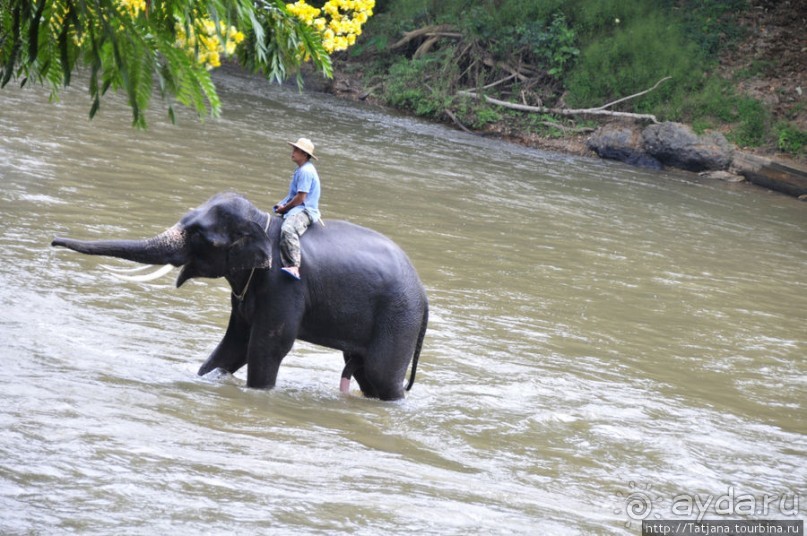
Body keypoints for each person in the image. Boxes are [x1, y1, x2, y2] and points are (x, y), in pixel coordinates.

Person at [273, 137, 321, 280]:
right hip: (298, 207)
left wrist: (284, 209)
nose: (292, 152)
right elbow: (293, 195)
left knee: (288, 229)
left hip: (305, 210)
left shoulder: (305, 171)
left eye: (296, 150)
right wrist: (282, 205)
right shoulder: (300, 169)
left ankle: (294, 266)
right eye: (294, 149)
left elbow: (300, 198)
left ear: (304, 154)